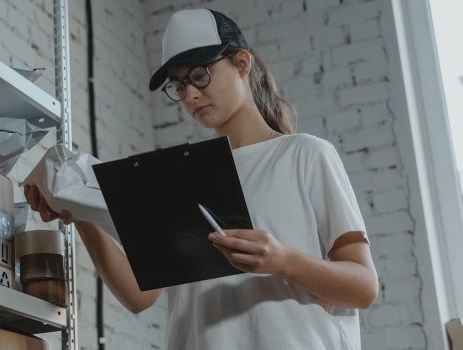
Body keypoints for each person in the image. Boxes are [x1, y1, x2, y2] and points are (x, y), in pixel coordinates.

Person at [24, 8, 378, 349]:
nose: (190, 94)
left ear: (242, 63)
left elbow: (363, 286)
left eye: (199, 75)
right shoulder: (178, 175)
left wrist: (283, 260)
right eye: (179, 86)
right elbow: (139, 296)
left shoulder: (305, 154)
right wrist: (79, 210)